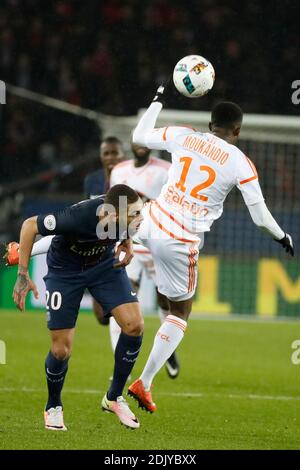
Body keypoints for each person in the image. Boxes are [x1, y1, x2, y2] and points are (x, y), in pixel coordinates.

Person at [127, 86, 294, 413]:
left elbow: (140, 134)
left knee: (104, 219)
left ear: (210, 123)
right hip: (179, 241)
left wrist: (159, 99)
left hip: (150, 219)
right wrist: (282, 236)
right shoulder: (241, 163)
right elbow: (260, 218)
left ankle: (34, 244)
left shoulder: (184, 136)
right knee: (180, 313)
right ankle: (143, 383)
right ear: (238, 130)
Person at [12, 184, 144, 430]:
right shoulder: (78, 217)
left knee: (134, 326)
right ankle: (53, 405)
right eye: (134, 215)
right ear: (113, 215)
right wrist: (22, 274)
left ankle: (113, 398)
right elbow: (30, 225)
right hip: (66, 272)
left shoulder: (120, 211)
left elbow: (128, 223)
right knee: (61, 351)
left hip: (104, 267)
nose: (140, 219)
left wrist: (127, 241)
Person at [109, 143, 180, 378]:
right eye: (137, 141)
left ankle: (167, 349)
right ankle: (121, 366)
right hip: (129, 242)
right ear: (131, 143)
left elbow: (173, 203)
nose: (141, 146)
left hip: (157, 244)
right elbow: (113, 207)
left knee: (165, 301)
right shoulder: (118, 170)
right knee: (121, 301)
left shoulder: (167, 169)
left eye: (145, 141)